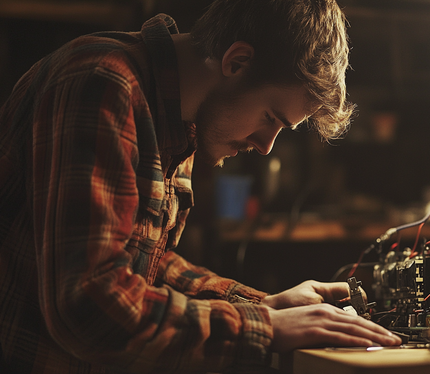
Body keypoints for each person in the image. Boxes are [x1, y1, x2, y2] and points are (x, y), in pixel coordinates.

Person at [0, 0, 402, 372]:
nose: (265, 147)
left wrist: (262, 304)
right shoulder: (103, 83)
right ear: (237, 61)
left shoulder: (181, 117)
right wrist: (266, 327)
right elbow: (88, 305)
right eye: (270, 117)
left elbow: (143, 265)